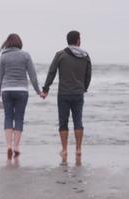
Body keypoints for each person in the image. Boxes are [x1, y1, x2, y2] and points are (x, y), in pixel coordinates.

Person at [41, 30, 92, 165]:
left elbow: (52, 72)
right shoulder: (85, 56)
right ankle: (78, 149)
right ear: (77, 40)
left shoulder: (60, 55)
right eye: (80, 38)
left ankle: (64, 150)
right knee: (78, 121)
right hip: (78, 93)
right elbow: (88, 74)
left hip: (63, 93)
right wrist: (84, 87)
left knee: (63, 122)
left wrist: (46, 89)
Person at [0, 33, 41, 160]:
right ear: (19, 43)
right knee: (19, 118)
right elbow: (33, 75)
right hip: (22, 90)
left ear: (7, 43)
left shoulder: (3, 57)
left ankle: (8, 146)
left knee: (8, 117)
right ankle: (16, 147)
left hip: (6, 90)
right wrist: (38, 91)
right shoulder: (25, 55)